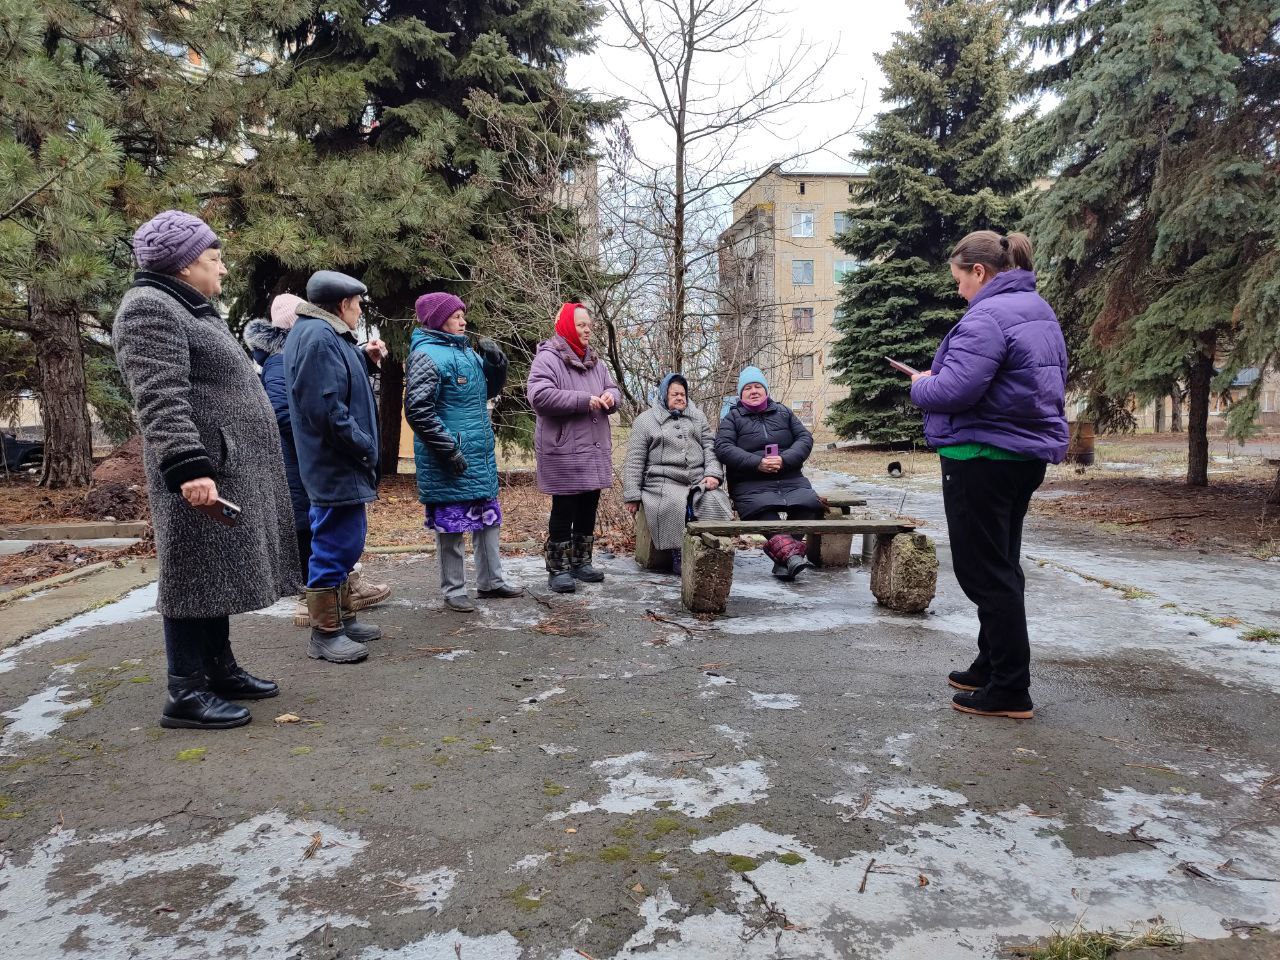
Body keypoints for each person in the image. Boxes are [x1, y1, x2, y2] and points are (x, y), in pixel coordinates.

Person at [112, 210, 300, 730]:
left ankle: (219, 669)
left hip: (224, 464)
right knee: (191, 574)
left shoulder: (189, 309)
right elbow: (158, 397)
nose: (222, 271)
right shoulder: (148, 309)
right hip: (200, 470)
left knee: (211, 573)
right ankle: (185, 692)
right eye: (213, 261)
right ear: (182, 266)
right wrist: (188, 466)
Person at [910, 230, 1068, 721]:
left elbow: (956, 390)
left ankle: (1010, 688)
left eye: (959, 279)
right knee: (1002, 562)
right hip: (1021, 458)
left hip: (981, 455)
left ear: (979, 272)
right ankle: (992, 663)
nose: (957, 290)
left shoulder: (987, 316)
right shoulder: (1036, 309)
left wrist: (921, 385)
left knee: (984, 571)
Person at [244, 295, 391, 627]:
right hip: (305, 464)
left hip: (317, 460)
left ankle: (340, 608)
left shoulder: (307, 349)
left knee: (335, 535)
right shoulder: (285, 360)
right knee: (318, 535)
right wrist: (350, 440)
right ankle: (315, 613)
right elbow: (291, 412)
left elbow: (333, 387)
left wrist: (364, 362)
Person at [284, 270, 386, 664]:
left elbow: (336, 382)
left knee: (344, 541)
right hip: (335, 463)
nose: (359, 312)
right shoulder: (318, 337)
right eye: (358, 305)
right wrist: (364, 445)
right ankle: (325, 633)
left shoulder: (325, 335)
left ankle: (342, 617)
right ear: (343, 304)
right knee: (333, 544)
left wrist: (366, 360)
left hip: (338, 462)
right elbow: (326, 409)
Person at [404, 292, 522, 612]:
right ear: (439, 319)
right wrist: (449, 450)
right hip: (448, 456)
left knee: (487, 518)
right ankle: (454, 589)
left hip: (478, 453)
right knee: (451, 524)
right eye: (456, 316)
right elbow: (418, 411)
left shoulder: (465, 350)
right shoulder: (426, 355)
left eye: (462, 315)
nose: (463, 320)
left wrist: (497, 364)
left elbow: (489, 390)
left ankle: (491, 581)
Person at [527, 302, 622, 593]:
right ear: (568, 326)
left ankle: (582, 562)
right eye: (581, 324)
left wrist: (609, 396)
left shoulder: (596, 361)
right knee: (564, 507)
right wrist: (582, 400)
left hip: (592, 448)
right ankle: (558, 568)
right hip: (564, 448)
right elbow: (539, 396)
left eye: (589, 325)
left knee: (588, 506)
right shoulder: (548, 358)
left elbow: (614, 388)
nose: (588, 329)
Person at [715, 367, 824, 581]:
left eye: (758, 386)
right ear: (740, 394)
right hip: (750, 484)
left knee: (809, 504)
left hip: (790, 479)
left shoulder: (783, 412)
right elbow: (723, 448)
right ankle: (791, 557)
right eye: (748, 388)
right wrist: (757, 463)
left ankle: (785, 559)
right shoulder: (732, 418)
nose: (754, 391)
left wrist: (784, 460)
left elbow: (805, 439)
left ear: (766, 390)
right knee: (763, 511)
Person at [623, 373, 733, 574]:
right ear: (664, 395)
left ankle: (713, 552)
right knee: (673, 504)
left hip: (698, 479)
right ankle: (680, 553)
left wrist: (713, 474)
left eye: (683, 394)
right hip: (662, 483)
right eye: (675, 394)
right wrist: (632, 495)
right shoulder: (645, 421)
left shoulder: (697, 416)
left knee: (714, 499)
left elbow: (710, 447)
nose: (680, 398)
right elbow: (634, 460)